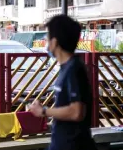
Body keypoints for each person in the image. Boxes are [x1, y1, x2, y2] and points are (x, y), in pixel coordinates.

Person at [29, 15, 97, 150]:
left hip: (73, 144)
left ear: (54, 42)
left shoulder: (74, 69)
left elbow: (76, 112)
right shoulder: (66, 68)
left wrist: (43, 111)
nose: (46, 41)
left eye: (47, 37)